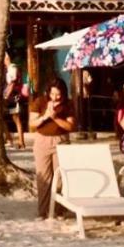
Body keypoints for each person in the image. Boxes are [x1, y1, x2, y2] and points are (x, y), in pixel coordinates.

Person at [30, 81, 74, 219]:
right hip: (42, 140)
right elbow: (32, 123)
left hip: (60, 140)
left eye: (58, 94)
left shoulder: (68, 104)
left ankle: (58, 210)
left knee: (60, 177)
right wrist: (45, 116)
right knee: (43, 177)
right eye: (52, 93)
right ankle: (43, 211)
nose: (55, 97)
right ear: (48, 92)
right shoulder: (40, 102)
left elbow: (70, 126)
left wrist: (55, 118)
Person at [3, 63, 27, 150]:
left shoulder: (12, 68)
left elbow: (12, 84)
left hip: (12, 98)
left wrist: (5, 96)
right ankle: (10, 139)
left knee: (16, 119)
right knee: (4, 119)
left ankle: (21, 142)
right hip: (10, 97)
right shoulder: (8, 69)